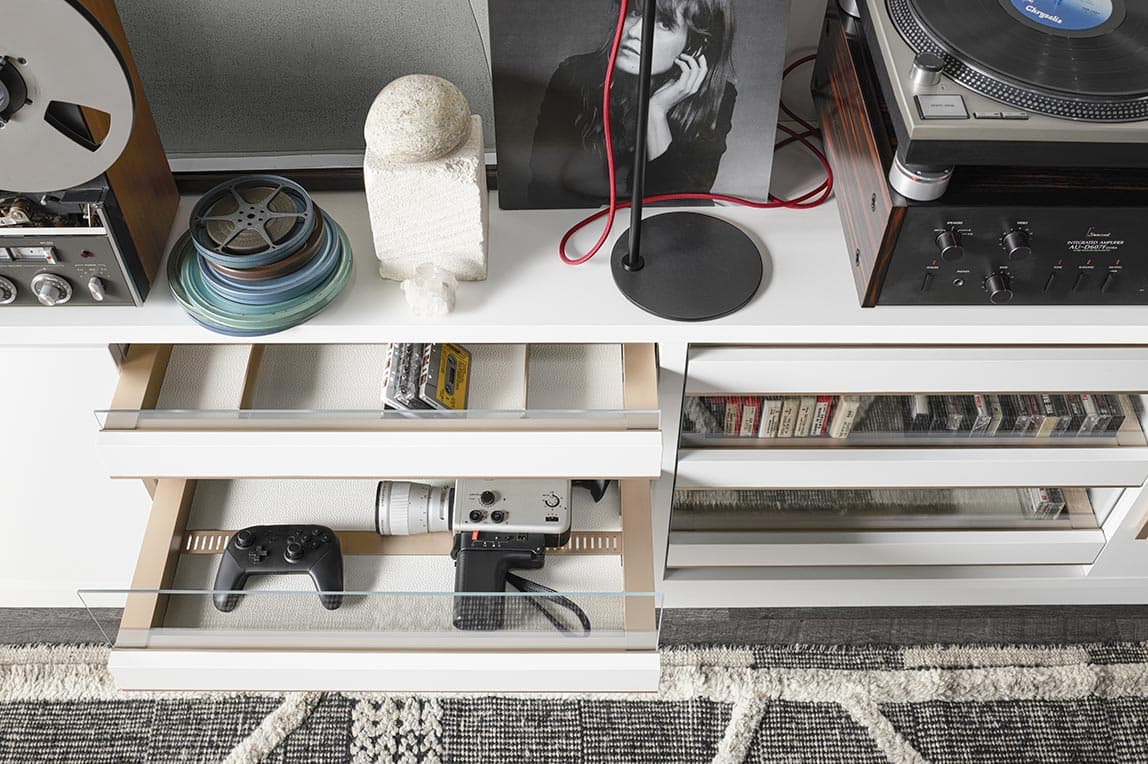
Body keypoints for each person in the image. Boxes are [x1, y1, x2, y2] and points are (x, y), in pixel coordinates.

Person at [527, 0, 738, 208]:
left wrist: (655, 113)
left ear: (695, 46)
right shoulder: (573, 74)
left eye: (664, 23)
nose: (635, 31)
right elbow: (544, 187)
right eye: (635, 13)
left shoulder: (718, 96)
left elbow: (681, 206)